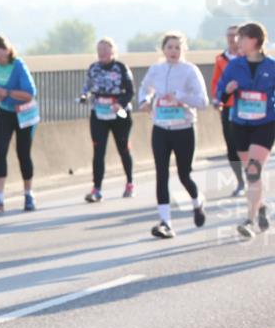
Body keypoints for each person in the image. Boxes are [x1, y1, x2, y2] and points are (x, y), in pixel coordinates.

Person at [137, 32, 209, 239]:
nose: (173, 51)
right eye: (170, 47)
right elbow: (145, 88)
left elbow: (203, 101)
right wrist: (145, 100)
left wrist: (180, 97)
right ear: (163, 49)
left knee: (184, 174)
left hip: (184, 129)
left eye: (178, 47)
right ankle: (165, 223)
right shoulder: (156, 69)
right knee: (161, 174)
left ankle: (197, 201)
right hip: (161, 128)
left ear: (183, 50)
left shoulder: (190, 70)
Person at [215, 21, 275, 239]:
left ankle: (248, 220)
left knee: (253, 171)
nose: (236, 41)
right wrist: (227, 91)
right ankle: (261, 206)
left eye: (241, 37)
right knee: (250, 173)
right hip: (240, 124)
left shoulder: (272, 66)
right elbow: (220, 95)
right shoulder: (234, 66)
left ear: (254, 40)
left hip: (265, 124)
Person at [0, 36, 39, 212]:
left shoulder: (18, 65)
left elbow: (29, 94)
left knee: (23, 153)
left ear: (7, 50)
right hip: (5, 112)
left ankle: (29, 194)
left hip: (24, 113)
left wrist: (6, 92)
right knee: (0, 151)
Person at [79, 38, 135, 202]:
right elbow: (87, 87)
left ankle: (130, 183)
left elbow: (130, 91)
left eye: (105, 49)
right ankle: (96, 189)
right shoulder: (93, 68)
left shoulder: (121, 68)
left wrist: (120, 103)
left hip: (120, 112)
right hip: (99, 112)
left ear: (113, 51)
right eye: (99, 50)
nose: (102, 52)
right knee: (98, 150)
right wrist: (84, 96)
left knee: (123, 147)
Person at [211, 24, 246, 196]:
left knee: (248, 146)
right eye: (229, 35)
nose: (232, 38)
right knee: (232, 146)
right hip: (229, 107)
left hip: (247, 106)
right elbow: (216, 82)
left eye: (235, 35)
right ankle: (240, 181)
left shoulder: (250, 57)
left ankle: (253, 178)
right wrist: (217, 99)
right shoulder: (221, 59)